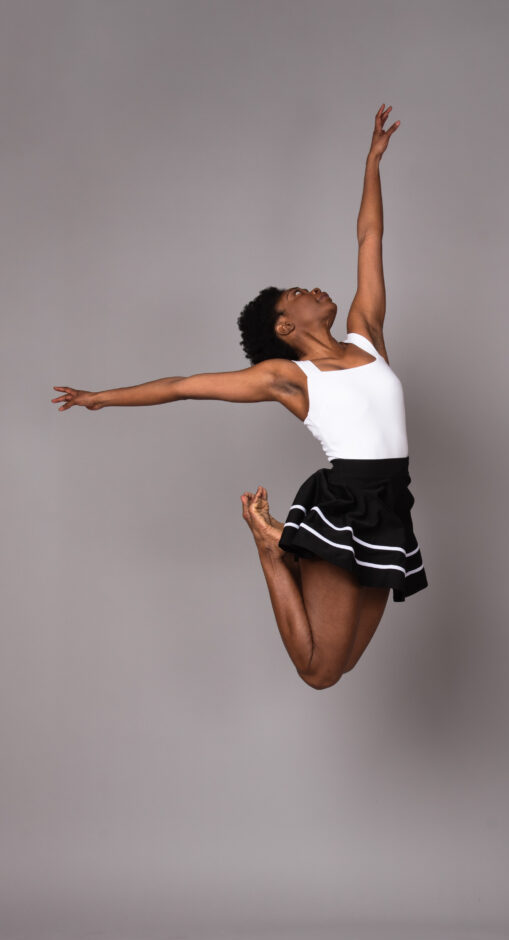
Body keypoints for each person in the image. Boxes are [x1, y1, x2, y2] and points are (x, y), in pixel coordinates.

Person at [52, 105, 427, 691]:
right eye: (297, 293)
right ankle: (271, 546)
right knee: (319, 671)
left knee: (345, 661)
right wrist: (101, 398)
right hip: (346, 503)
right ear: (284, 328)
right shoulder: (290, 377)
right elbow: (182, 386)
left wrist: (372, 162)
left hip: (392, 503)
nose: (312, 288)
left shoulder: (367, 333)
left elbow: (370, 235)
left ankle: (284, 545)